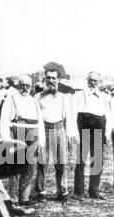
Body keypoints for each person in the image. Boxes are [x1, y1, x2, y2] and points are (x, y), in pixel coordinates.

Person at [0, 74, 45, 207]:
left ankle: (24, 197)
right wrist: (7, 140)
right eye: (22, 85)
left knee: (30, 167)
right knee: (15, 167)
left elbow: (40, 122)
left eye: (27, 86)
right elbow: (4, 121)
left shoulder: (34, 101)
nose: (24, 88)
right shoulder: (11, 99)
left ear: (31, 87)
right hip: (17, 133)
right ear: (18, 86)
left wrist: (41, 141)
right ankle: (13, 198)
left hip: (33, 134)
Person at [34, 68, 76, 202]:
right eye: (48, 78)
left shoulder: (63, 97)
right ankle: (41, 191)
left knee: (61, 162)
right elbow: (37, 117)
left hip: (58, 128)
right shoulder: (38, 96)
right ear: (45, 79)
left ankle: (62, 191)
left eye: (53, 78)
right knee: (42, 161)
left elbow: (68, 116)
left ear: (58, 80)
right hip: (43, 128)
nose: (51, 80)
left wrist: (69, 134)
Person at [72, 71, 111, 200]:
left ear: (99, 82)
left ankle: (94, 191)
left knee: (97, 160)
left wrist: (107, 132)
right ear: (87, 80)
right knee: (81, 160)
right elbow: (73, 116)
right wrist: (74, 132)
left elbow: (108, 116)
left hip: (99, 127)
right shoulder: (78, 95)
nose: (92, 83)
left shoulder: (104, 97)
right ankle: (79, 192)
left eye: (95, 81)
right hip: (84, 126)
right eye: (90, 80)